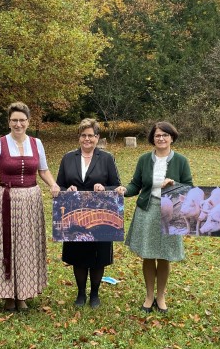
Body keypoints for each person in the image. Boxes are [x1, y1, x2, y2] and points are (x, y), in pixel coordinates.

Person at [0, 102, 60, 311]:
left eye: (22, 120)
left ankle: (23, 293)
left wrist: (53, 184)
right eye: (14, 120)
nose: (18, 124)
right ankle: (8, 295)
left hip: (31, 200)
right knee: (7, 244)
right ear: (9, 122)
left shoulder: (37, 143)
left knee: (26, 246)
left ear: (28, 122)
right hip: (7, 199)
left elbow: (43, 170)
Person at [122, 121, 191, 314]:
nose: (161, 138)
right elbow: (135, 184)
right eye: (157, 135)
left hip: (171, 211)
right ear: (152, 138)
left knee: (164, 255)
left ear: (172, 138)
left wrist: (173, 184)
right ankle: (149, 295)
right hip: (148, 209)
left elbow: (188, 186)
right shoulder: (144, 159)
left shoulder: (181, 161)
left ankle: (161, 296)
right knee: (148, 254)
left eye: (165, 135)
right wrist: (124, 191)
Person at [56, 118, 122, 308]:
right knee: (78, 254)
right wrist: (65, 190)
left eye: (91, 135)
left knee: (98, 255)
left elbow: (117, 185)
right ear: (79, 137)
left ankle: (94, 294)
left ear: (97, 137)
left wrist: (105, 187)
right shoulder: (68, 158)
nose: (87, 139)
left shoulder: (107, 158)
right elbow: (59, 185)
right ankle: (80, 294)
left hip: (100, 214)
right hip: (74, 213)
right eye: (83, 135)